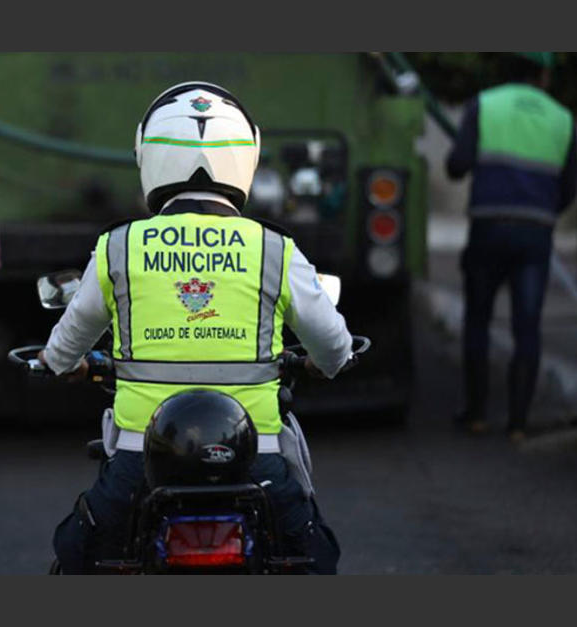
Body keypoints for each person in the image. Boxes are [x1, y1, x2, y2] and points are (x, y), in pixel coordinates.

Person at [39, 82, 352, 574]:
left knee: (75, 556)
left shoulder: (119, 246)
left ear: (148, 153)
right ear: (247, 153)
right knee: (315, 561)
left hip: (138, 460)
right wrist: (319, 363)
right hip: (260, 459)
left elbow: (61, 351)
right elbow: (335, 347)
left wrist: (62, 364)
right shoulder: (273, 247)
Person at [445, 53, 577, 441]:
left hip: (488, 229)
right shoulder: (562, 118)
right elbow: (569, 188)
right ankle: (518, 423)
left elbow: (456, 165)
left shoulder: (484, 105)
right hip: (535, 235)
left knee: (478, 320)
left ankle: (476, 414)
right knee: (528, 326)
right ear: (544, 74)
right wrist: (539, 211)